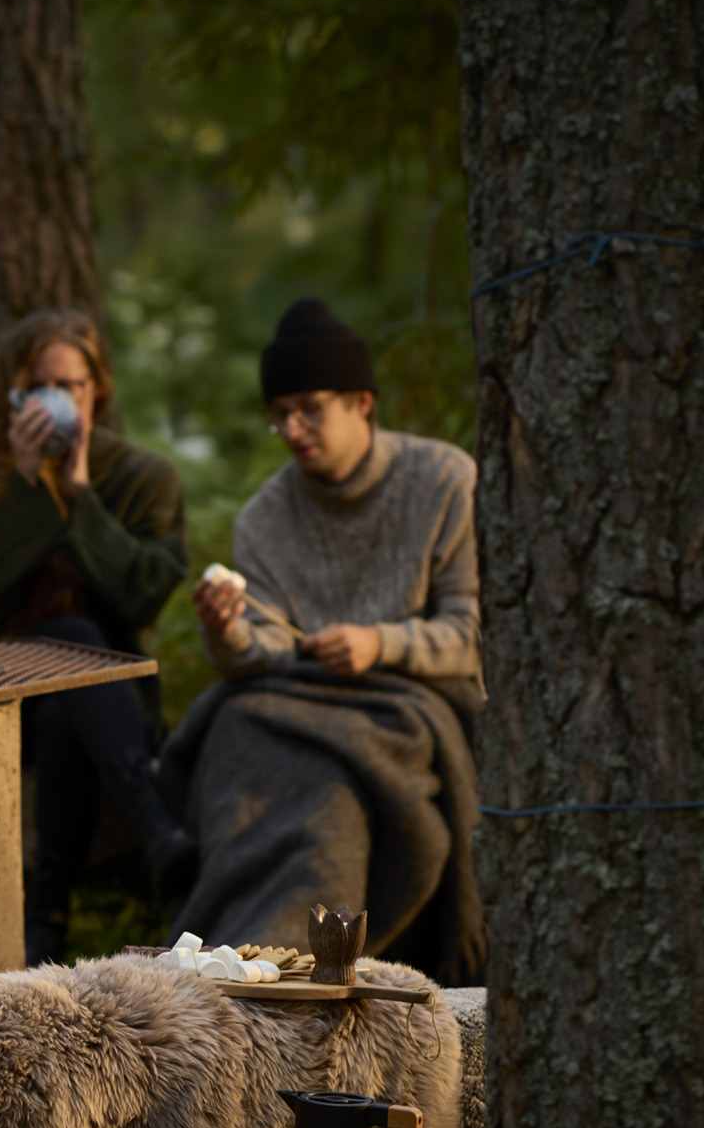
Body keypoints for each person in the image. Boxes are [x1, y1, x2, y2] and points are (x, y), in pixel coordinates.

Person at [161, 297, 486, 983]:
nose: (292, 428)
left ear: (360, 402)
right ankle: (218, 958)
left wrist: (381, 643)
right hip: (291, 701)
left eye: (309, 408)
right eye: (279, 414)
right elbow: (262, 653)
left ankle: (289, 968)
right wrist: (223, 630)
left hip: (406, 704)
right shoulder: (264, 517)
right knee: (234, 734)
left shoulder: (443, 480)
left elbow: (471, 630)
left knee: (328, 804)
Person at [0, 308, 194, 965]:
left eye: (72, 386)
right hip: (3, 697)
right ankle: (152, 820)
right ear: (15, 397)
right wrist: (26, 484)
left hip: (111, 710)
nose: (61, 400)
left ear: (96, 390)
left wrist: (80, 495)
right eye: (42, 387)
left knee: (68, 698)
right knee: (65, 649)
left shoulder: (142, 477)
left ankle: (44, 925)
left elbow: (142, 591)